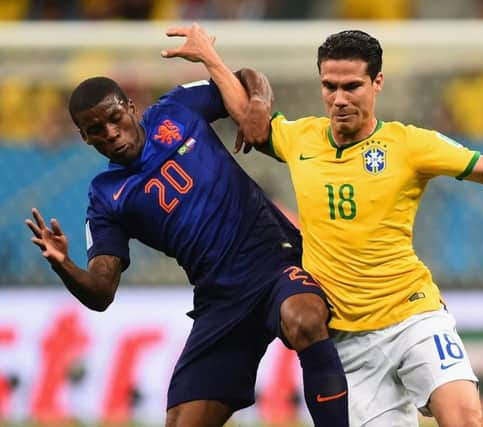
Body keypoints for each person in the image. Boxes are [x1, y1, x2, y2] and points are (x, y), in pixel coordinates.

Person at [25, 23, 349, 427]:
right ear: (85, 138)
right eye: (96, 131)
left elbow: (247, 77)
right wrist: (63, 264)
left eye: (113, 118)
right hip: (220, 298)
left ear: (129, 106)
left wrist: (258, 105)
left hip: (274, 262)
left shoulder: (177, 108)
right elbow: (101, 290)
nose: (110, 133)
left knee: (305, 318)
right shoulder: (105, 196)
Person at [237, 30, 483, 426]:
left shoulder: (410, 144)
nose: (339, 99)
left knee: (465, 421)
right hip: (348, 340)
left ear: (377, 83)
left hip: (414, 315)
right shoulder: (299, 138)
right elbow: (241, 99)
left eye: (352, 86)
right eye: (329, 86)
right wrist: (212, 58)